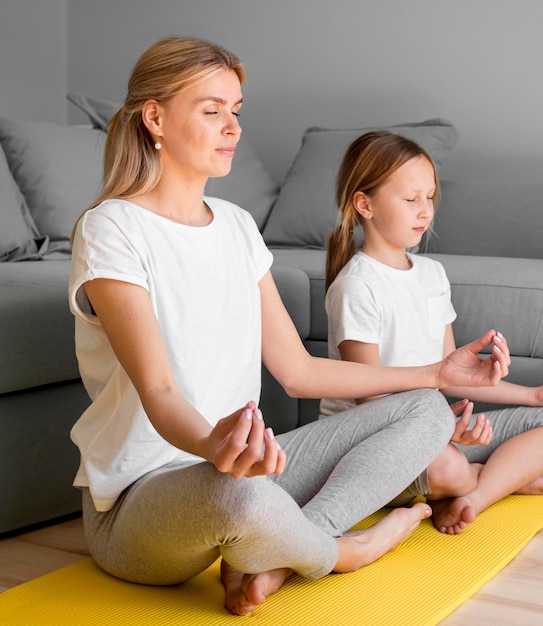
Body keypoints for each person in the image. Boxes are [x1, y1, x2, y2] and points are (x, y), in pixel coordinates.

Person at [68, 37, 512, 617]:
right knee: (238, 497)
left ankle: (284, 548)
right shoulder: (111, 230)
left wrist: (436, 371)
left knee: (425, 407)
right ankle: (344, 549)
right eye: (212, 110)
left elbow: (298, 372)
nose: (232, 127)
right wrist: (214, 448)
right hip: (139, 503)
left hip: (244, 470)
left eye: (236, 111)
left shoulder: (236, 226)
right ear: (155, 117)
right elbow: (159, 391)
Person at [322, 130, 543, 534]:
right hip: (379, 444)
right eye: (410, 199)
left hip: (437, 433)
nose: (425, 210)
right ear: (364, 204)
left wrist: (534, 395)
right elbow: (372, 403)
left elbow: (456, 378)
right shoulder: (356, 286)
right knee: (448, 464)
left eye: (430, 197)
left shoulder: (432, 274)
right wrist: (444, 434)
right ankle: (500, 478)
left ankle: (475, 495)